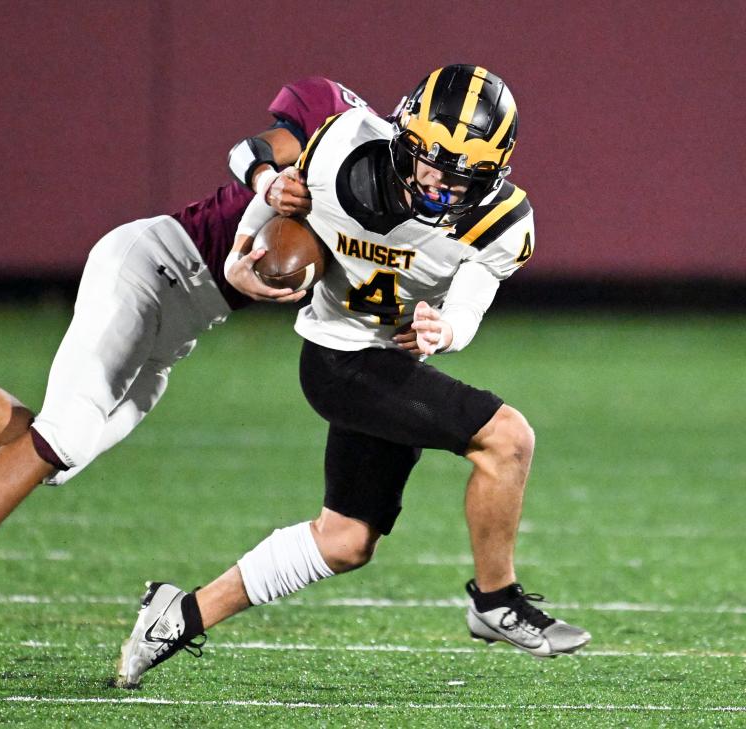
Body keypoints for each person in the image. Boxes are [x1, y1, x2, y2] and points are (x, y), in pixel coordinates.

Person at [0, 77, 385, 686]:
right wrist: (266, 185)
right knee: (64, 436)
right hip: (150, 267)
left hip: (179, 331)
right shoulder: (345, 134)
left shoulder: (397, 215)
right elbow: (249, 153)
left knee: (54, 455)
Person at [114, 64, 591, 689]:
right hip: (339, 358)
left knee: (344, 541)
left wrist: (443, 332)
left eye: (462, 175)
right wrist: (257, 224)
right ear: (403, 135)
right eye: (430, 162)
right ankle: (495, 601)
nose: (440, 183)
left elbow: (468, 306)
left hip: (389, 361)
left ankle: (179, 615)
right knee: (508, 439)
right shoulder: (341, 148)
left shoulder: (502, 220)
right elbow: (247, 230)